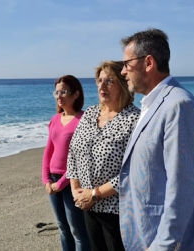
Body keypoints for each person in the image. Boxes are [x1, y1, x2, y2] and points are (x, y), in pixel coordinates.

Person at [118, 28, 194, 250]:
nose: (122, 72)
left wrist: (163, 245)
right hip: (142, 234)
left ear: (148, 63)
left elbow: (182, 187)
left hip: (160, 242)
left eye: (127, 64)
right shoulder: (152, 104)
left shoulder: (178, 106)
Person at [66, 61, 140, 251]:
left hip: (117, 209)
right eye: (99, 81)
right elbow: (73, 152)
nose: (102, 86)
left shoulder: (134, 119)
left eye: (109, 81)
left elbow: (135, 170)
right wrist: (76, 191)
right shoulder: (90, 113)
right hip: (87, 206)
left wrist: (95, 194)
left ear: (123, 84)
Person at [41, 75, 91, 251]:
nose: (59, 96)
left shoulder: (84, 120)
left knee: (78, 231)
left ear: (76, 94)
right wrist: (46, 180)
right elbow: (48, 151)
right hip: (53, 182)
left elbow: (82, 159)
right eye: (56, 92)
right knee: (63, 229)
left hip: (72, 182)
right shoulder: (55, 119)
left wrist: (61, 183)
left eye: (64, 91)